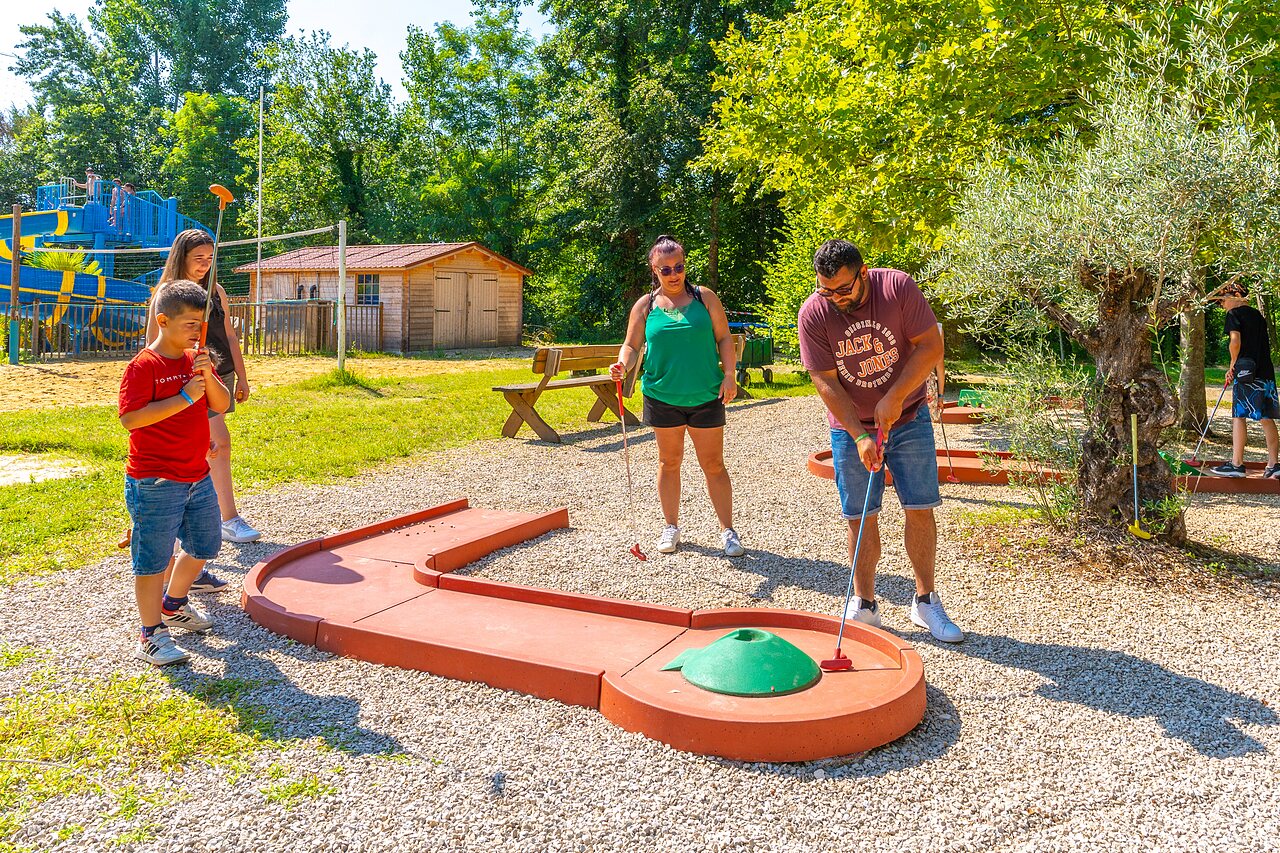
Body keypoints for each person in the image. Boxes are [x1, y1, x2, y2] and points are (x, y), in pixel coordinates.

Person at [798, 239, 963, 642]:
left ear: (863, 273)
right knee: (860, 513)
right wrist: (858, 435)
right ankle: (866, 603)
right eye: (825, 289)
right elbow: (824, 379)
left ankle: (925, 601)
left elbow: (930, 346)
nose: (835, 298)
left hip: (908, 417)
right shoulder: (813, 313)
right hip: (849, 427)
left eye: (843, 289)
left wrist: (893, 398)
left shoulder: (898, 288)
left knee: (920, 507)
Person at [610, 235, 745, 557]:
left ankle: (728, 531)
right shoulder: (646, 306)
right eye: (665, 269)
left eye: (679, 267)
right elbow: (631, 346)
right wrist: (622, 365)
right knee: (669, 462)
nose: (674, 274)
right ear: (654, 270)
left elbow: (725, 338)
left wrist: (730, 374)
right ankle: (671, 526)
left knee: (713, 464)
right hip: (662, 396)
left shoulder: (705, 298)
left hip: (706, 395)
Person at [119, 279, 230, 665]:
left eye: (202, 325)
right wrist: (184, 396)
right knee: (152, 559)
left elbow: (221, 402)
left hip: (196, 476)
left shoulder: (192, 361)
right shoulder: (143, 367)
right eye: (190, 324)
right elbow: (132, 418)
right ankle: (150, 634)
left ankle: (174, 604)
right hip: (155, 482)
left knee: (206, 545)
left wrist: (207, 375)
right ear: (163, 321)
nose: (198, 332)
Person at [148, 230, 261, 566]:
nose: (205, 265)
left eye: (210, 258)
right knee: (210, 445)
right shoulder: (167, 294)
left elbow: (228, 334)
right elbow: (153, 342)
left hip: (217, 374)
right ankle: (212, 523)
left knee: (213, 447)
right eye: (198, 258)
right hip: (186, 378)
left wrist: (241, 375)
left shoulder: (216, 291)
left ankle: (223, 520)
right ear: (181, 255)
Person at [1210, 282, 1279, 479]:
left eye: (1222, 300)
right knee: (1266, 417)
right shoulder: (1258, 316)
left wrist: (1232, 365)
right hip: (1265, 372)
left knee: (1238, 416)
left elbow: (1235, 341)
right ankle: (1274, 464)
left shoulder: (1234, 315)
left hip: (1246, 373)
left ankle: (1237, 464)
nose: (1222, 305)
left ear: (1237, 294)